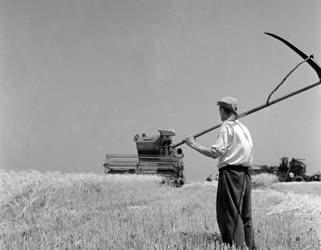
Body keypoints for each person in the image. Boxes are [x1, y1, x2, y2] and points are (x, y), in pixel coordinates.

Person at [184, 96, 256, 249]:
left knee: (229, 212)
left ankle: (237, 247)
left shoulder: (226, 127)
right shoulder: (244, 128)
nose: (219, 113)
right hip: (246, 174)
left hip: (231, 174)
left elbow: (214, 153)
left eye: (220, 110)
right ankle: (249, 246)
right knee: (245, 214)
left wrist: (192, 144)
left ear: (223, 110)